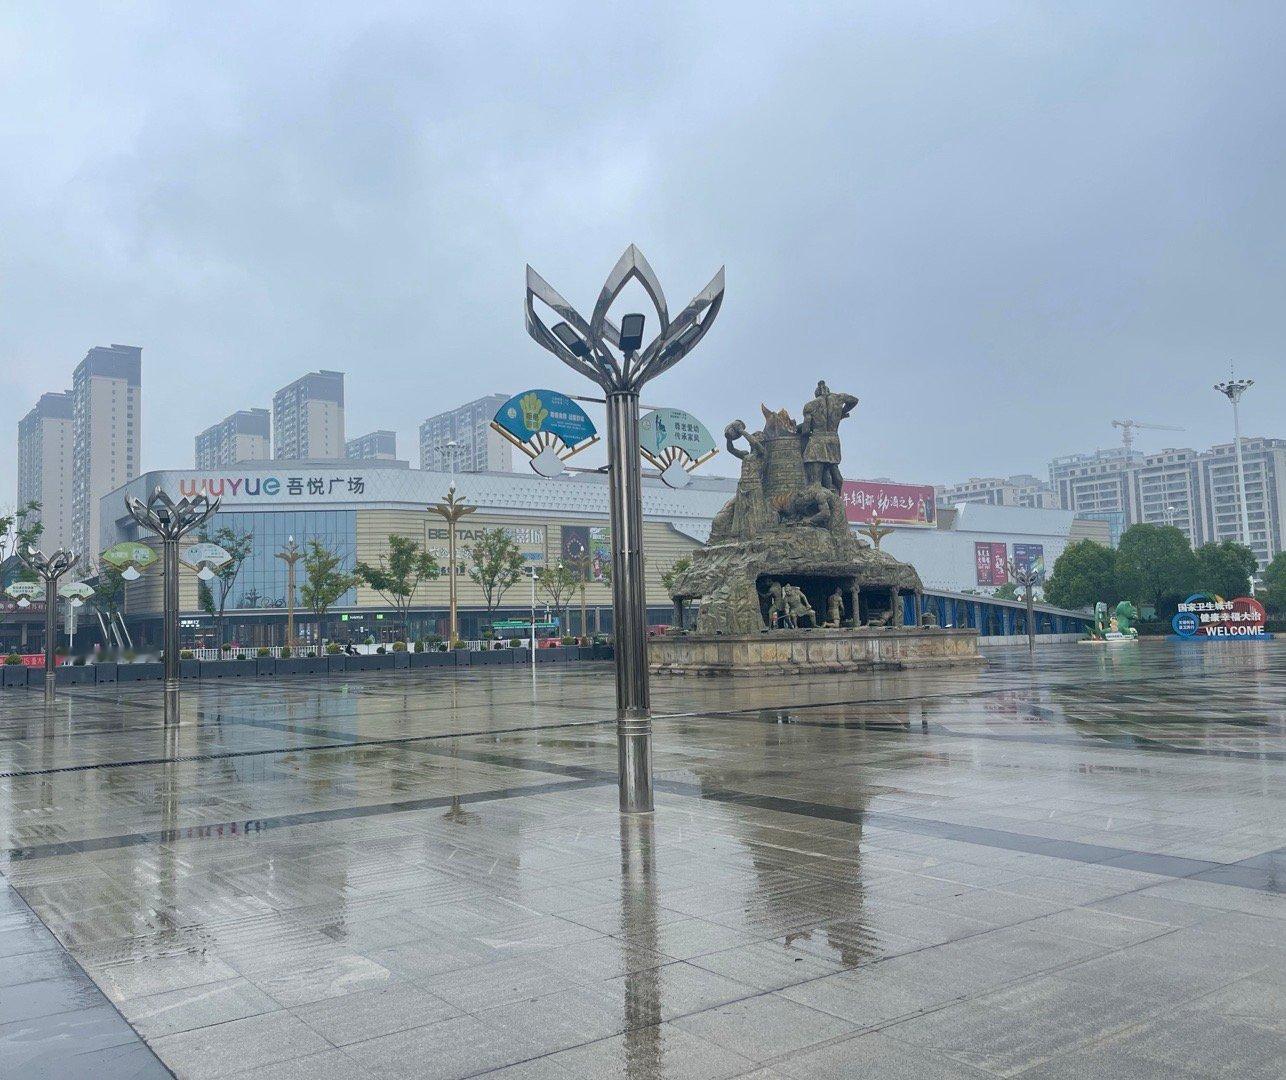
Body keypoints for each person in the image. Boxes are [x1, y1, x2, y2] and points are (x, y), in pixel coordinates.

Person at [800, 380, 858, 492]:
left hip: (817, 442)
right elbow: (854, 401)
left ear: (816, 393)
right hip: (833, 440)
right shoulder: (839, 398)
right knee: (833, 468)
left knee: (815, 481)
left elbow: (806, 430)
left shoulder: (810, 406)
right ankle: (838, 494)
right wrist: (841, 412)